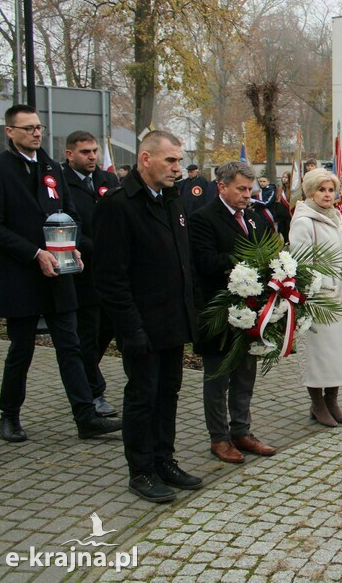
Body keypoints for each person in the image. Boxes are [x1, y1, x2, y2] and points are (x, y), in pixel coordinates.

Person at [0, 105, 122, 443]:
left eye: (38, 127)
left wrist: (73, 244)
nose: (36, 133)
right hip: (22, 276)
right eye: (28, 128)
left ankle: (85, 417)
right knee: (21, 349)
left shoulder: (51, 168)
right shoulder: (0, 169)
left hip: (60, 274)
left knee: (71, 345)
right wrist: (35, 253)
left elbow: (68, 214)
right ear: (11, 132)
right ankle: (9, 415)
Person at [93, 131, 203, 503]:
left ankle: (163, 459)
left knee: (168, 393)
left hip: (173, 321)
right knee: (143, 397)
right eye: (170, 160)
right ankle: (140, 470)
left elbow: (183, 263)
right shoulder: (119, 205)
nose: (177, 168)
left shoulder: (172, 201)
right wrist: (131, 330)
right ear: (145, 159)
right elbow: (110, 278)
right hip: (142, 325)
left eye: (179, 160)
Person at [189, 161, 277, 464]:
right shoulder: (202, 219)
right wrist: (246, 263)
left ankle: (242, 430)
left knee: (245, 374)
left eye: (250, 190)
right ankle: (219, 437)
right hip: (218, 310)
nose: (247, 195)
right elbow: (206, 262)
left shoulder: (253, 218)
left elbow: (268, 252)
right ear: (221, 186)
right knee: (218, 378)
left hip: (250, 310)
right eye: (241, 189)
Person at [289, 168, 342, 426]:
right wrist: (318, 290)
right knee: (320, 354)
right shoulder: (303, 221)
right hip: (318, 299)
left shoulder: (335, 219)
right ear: (310, 192)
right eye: (321, 189)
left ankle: (332, 401)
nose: (327, 194)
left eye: (331, 190)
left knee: (337, 353)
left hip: (340, 296)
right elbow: (301, 265)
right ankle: (317, 404)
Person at [63, 130, 120, 418]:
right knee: (86, 333)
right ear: (69, 154)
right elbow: (70, 227)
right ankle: (94, 393)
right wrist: (99, 248)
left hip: (110, 274)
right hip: (84, 273)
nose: (92, 157)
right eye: (85, 152)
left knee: (106, 331)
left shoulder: (107, 180)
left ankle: (86, 381)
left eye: (95, 151)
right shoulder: (63, 182)